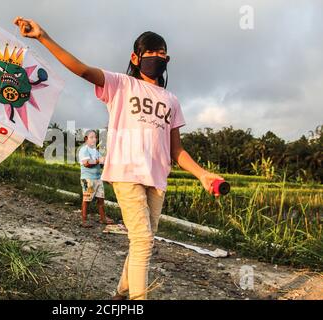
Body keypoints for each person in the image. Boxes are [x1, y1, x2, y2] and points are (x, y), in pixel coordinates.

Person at [13, 17, 224, 300]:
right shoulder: (121, 84)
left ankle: (121, 294)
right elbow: (83, 70)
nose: (159, 57)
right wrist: (43, 36)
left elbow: (177, 150)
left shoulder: (171, 99)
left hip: (157, 178)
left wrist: (202, 174)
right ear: (136, 57)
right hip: (126, 173)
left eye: (163, 54)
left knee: (141, 242)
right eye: (152, 52)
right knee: (143, 240)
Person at [78, 129, 113, 228]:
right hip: (88, 179)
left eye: (95, 137)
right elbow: (87, 163)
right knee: (87, 200)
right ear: (86, 139)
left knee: (101, 200)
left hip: (98, 179)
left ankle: (103, 219)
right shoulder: (84, 150)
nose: (94, 139)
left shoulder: (96, 151)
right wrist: (98, 161)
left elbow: (102, 164)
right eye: (91, 137)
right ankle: (84, 220)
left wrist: (104, 160)